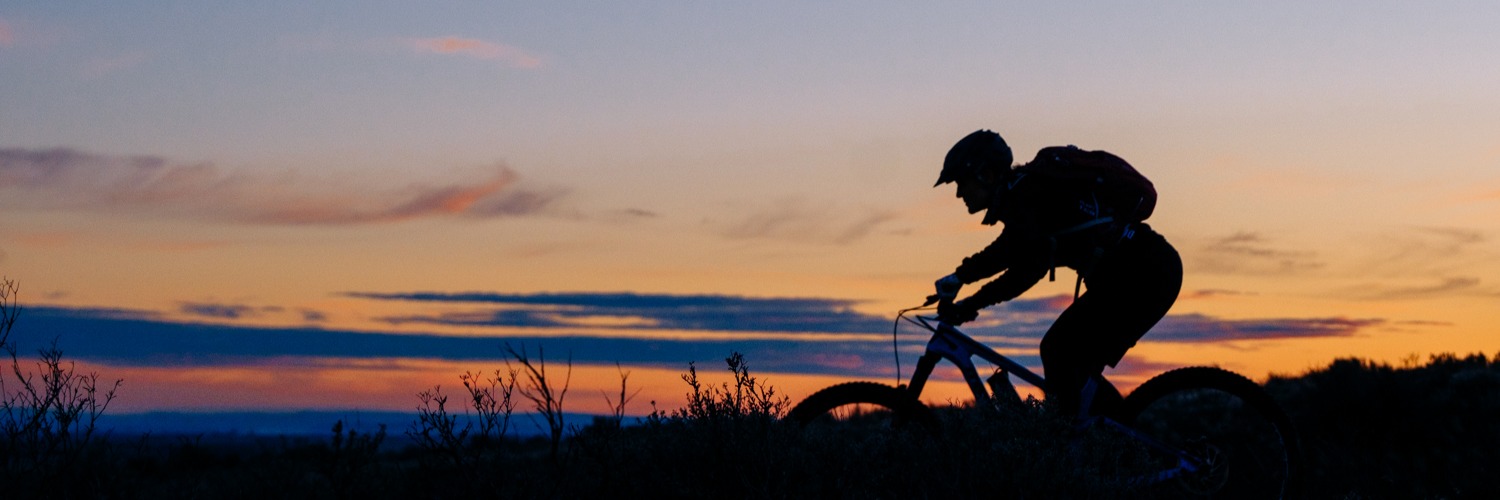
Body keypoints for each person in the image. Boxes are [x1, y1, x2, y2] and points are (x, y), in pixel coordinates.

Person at [931, 129, 1183, 417]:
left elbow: (1027, 270)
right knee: (1070, 360)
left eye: (961, 183)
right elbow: (1008, 250)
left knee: (1058, 349)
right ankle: (1106, 441)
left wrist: (970, 303)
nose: (959, 193)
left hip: (1145, 273)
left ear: (986, 175)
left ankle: (1098, 444)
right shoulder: (1023, 196)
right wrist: (960, 277)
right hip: (1141, 271)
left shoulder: (1027, 196)